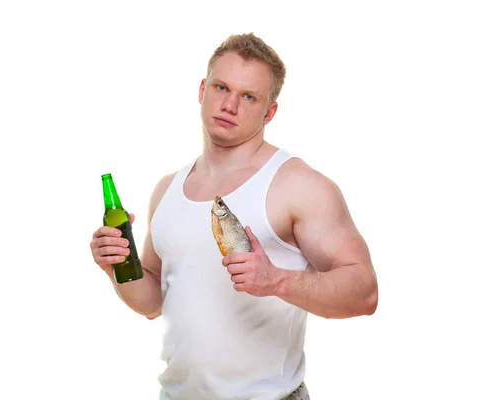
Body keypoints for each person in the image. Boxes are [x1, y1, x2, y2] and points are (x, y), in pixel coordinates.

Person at [90, 32, 378, 400]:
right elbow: (152, 302)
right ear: (201, 90)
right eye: (221, 87)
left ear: (269, 111)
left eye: (248, 96)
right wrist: (115, 265)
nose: (229, 105)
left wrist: (276, 280)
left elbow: (364, 293)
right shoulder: (166, 189)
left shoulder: (298, 185)